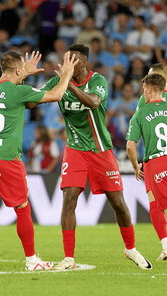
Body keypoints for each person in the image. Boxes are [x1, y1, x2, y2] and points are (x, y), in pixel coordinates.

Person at [0, 51, 78, 271]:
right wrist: (66, 75)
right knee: (22, 207)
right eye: (21, 71)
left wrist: (23, 73)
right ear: (17, 70)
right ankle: (31, 260)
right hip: (6, 158)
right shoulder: (19, 92)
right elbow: (55, 95)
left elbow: (13, 94)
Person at [42, 44, 152, 270]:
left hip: (101, 150)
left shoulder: (98, 81)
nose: (68, 64)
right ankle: (69, 258)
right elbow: (35, 99)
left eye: (73, 60)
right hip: (74, 150)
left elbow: (93, 102)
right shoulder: (58, 81)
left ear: (84, 63)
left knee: (118, 204)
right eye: (66, 59)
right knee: (68, 199)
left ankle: (130, 249)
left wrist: (68, 83)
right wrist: (22, 81)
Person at [126, 73, 167, 261]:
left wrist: (136, 166)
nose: (143, 93)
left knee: (155, 205)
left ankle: (166, 247)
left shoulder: (140, 113)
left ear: (149, 90)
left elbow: (130, 145)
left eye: (144, 90)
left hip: (156, 162)